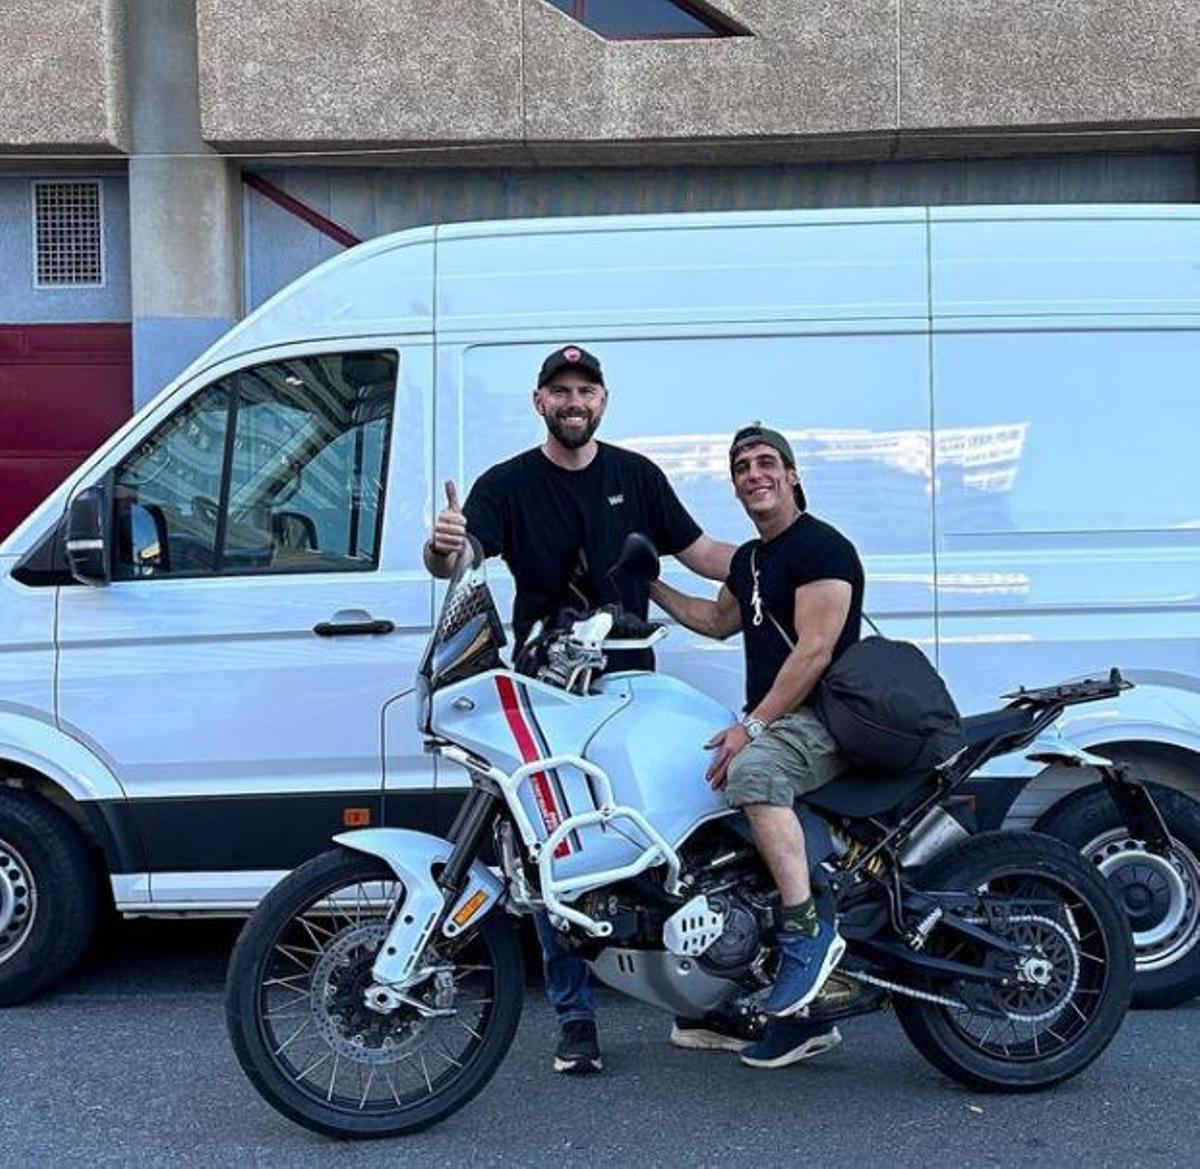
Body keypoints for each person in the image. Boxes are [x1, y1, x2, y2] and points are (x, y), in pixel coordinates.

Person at [424, 344, 738, 1074]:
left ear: (604, 400)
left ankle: (699, 1003)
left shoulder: (636, 476)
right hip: (546, 692)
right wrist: (441, 548)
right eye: (560, 390)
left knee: (665, 844)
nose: (574, 401)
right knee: (548, 851)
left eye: (585, 390)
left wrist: (784, 556)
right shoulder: (506, 484)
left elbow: (702, 552)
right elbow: (460, 555)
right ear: (540, 402)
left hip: (630, 685)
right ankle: (575, 1017)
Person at [650, 422, 865, 1069]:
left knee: (752, 771)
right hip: (783, 718)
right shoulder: (750, 559)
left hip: (825, 715)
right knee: (700, 779)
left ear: (793, 474)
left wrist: (754, 726)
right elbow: (714, 620)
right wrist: (647, 583)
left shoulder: (822, 547)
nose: (754, 473)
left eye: (767, 461)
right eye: (741, 465)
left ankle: (806, 932)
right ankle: (743, 983)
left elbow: (815, 650)